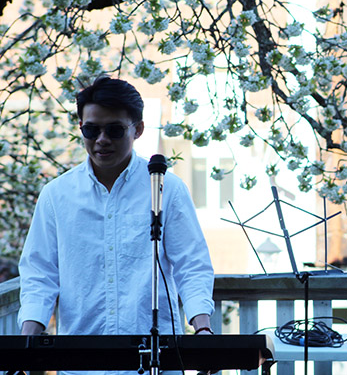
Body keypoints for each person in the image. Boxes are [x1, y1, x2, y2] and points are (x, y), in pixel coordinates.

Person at [18, 77, 215, 361]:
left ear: (138, 130)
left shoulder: (166, 188)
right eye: (91, 129)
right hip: (79, 360)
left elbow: (192, 265)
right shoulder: (55, 195)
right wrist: (25, 342)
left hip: (157, 358)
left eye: (114, 130)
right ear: (81, 127)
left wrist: (203, 329)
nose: (102, 139)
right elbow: (39, 273)